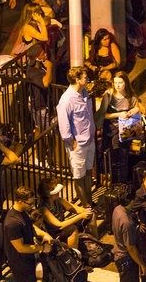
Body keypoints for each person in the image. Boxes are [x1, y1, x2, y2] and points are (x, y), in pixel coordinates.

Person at [56, 66, 96, 207]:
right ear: (77, 80)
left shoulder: (84, 93)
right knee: (79, 177)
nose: (87, 79)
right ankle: (86, 206)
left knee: (88, 172)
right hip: (78, 144)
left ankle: (90, 202)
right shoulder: (67, 100)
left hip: (89, 139)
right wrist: (71, 141)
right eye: (85, 77)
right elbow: (64, 124)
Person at [99, 71, 143, 183]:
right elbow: (103, 114)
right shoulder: (109, 95)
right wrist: (119, 114)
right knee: (113, 156)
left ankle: (123, 182)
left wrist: (135, 110)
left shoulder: (131, 96)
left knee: (124, 156)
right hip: (112, 130)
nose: (118, 85)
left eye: (120, 83)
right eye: (115, 83)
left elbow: (139, 108)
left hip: (126, 131)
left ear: (126, 83)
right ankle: (115, 181)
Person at [3, 186, 52, 282]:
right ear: (20, 201)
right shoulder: (13, 223)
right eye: (30, 203)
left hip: (29, 257)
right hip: (20, 262)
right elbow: (20, 248)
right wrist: (42, 248)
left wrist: (43, 234)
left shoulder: (22, 212)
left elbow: (30, 226)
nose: (33, 206)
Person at [38, 177, 94, 249]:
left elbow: (74, 209)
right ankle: (74, 254)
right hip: (55, 234)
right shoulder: (43, 208)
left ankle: (94, 241)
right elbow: (59, 225)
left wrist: (86, 211)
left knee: (91, 214)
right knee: (72, 229)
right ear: (48, 194)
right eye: (56, 191)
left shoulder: (58, 200)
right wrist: (81, 216)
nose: (58, 192)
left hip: (63, 228)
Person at [112, 191, 146, 282]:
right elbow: (131, 248)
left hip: (119, 251)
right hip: (126, 259)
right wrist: (142, 265)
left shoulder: (117, 209)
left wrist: (137, 224)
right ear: (132, 201)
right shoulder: (127, 223)